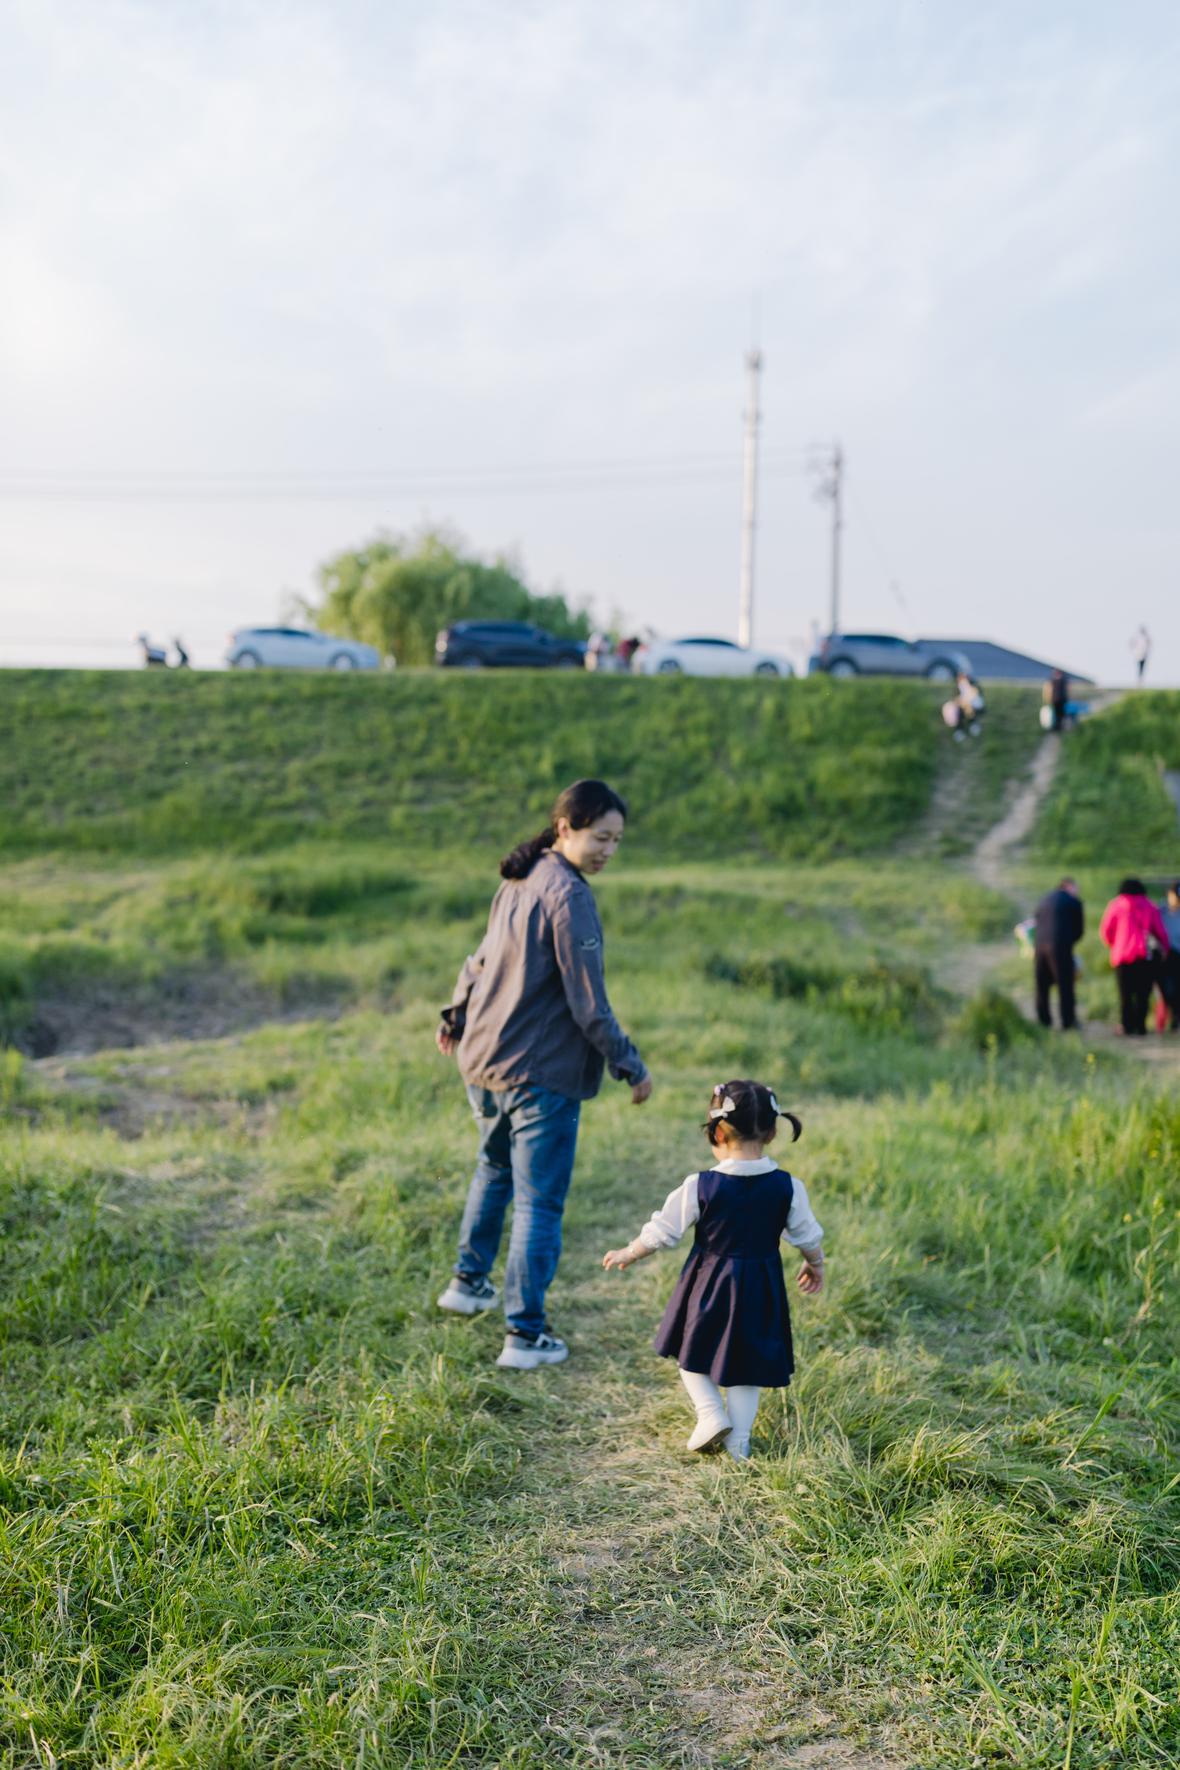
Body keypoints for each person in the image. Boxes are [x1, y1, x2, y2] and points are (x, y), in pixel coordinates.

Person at [436, 779, 651, 1369]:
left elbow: (478, 961)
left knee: (493, 1170)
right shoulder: (569, 896)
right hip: (537, 1073)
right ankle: (524, 1335)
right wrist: (630, 1064)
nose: (608, 850)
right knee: (539, 1202)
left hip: (484, 1060)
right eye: (600, 837)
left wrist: (456, 1015)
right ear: (565, 828)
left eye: (617, 840)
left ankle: (467, 1284)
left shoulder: (521, 876)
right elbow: (589, 1003)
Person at [602, 1079, 824, 1461]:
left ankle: (709, 1413)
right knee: (746, 1368)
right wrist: (815, 1263)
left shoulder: (701, 1185)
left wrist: (629, 1253)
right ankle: (739, 1443)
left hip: (708, 1283)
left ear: (718, 1133)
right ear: (771, 1132)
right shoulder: (787, 1186)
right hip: (760, 1287)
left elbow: (663, 1230)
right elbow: (806, 1234)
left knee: (690, 1352)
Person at [1099, 878, 1170, 1035]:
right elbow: (1160, 931)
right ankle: (1140, 1026)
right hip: (1144, 955)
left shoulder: (1115, 905)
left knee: (1125, 994)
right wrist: (1164, 949)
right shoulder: (1149, 906)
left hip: (1122, 956)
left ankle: (1127, 1026)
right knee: (1143, 994)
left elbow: (1106, 931)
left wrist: (1114, 944)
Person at [1033, 877, 1084, 1030]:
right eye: (1076, 888)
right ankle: (1068, 1022)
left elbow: (1036, 921)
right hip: (1059, 945)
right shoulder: (1073, 901)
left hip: (1039, 945)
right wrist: (1068, 943)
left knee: (1042, 984)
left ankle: (1043, 1021)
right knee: (1065, 984)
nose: (1077, 892)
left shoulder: (1044, 899)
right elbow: (1079, 931)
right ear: (1069, 886)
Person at [1154, 882, 1180, 1031]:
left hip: (1178, 954)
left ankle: (1176, 1018)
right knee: (1165, 990)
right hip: (1163, 954)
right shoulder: (1160, 910)